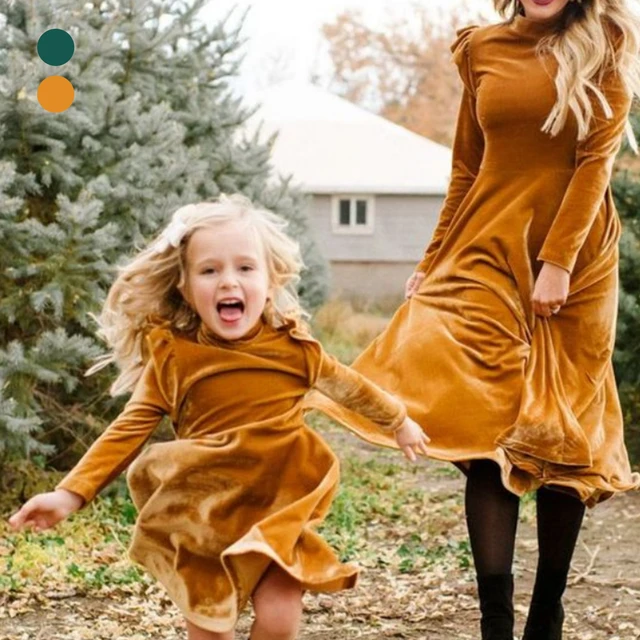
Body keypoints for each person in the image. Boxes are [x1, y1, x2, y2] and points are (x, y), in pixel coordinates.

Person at [305, 1, 640, 638]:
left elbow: (594, 165)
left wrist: (558, 262)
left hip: (579, 257)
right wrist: (432, 259)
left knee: (563, 430)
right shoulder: (480, 48)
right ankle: (494, 623)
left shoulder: (607, 47)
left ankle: (546, 614)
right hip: (485, 244)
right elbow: (466, 164)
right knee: (486, 427)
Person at [8, 195, 429, 640]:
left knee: (281, 617)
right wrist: (70, 494)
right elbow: (128, 429)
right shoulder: (174, 358)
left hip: (276, 511)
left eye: (245, 268)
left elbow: (351, 387)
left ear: (270, 281)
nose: (229, 282)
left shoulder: (295, 351)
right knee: (211, 631)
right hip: (203, 517)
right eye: (210, 271)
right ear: (185, 287)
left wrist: (398, 420)